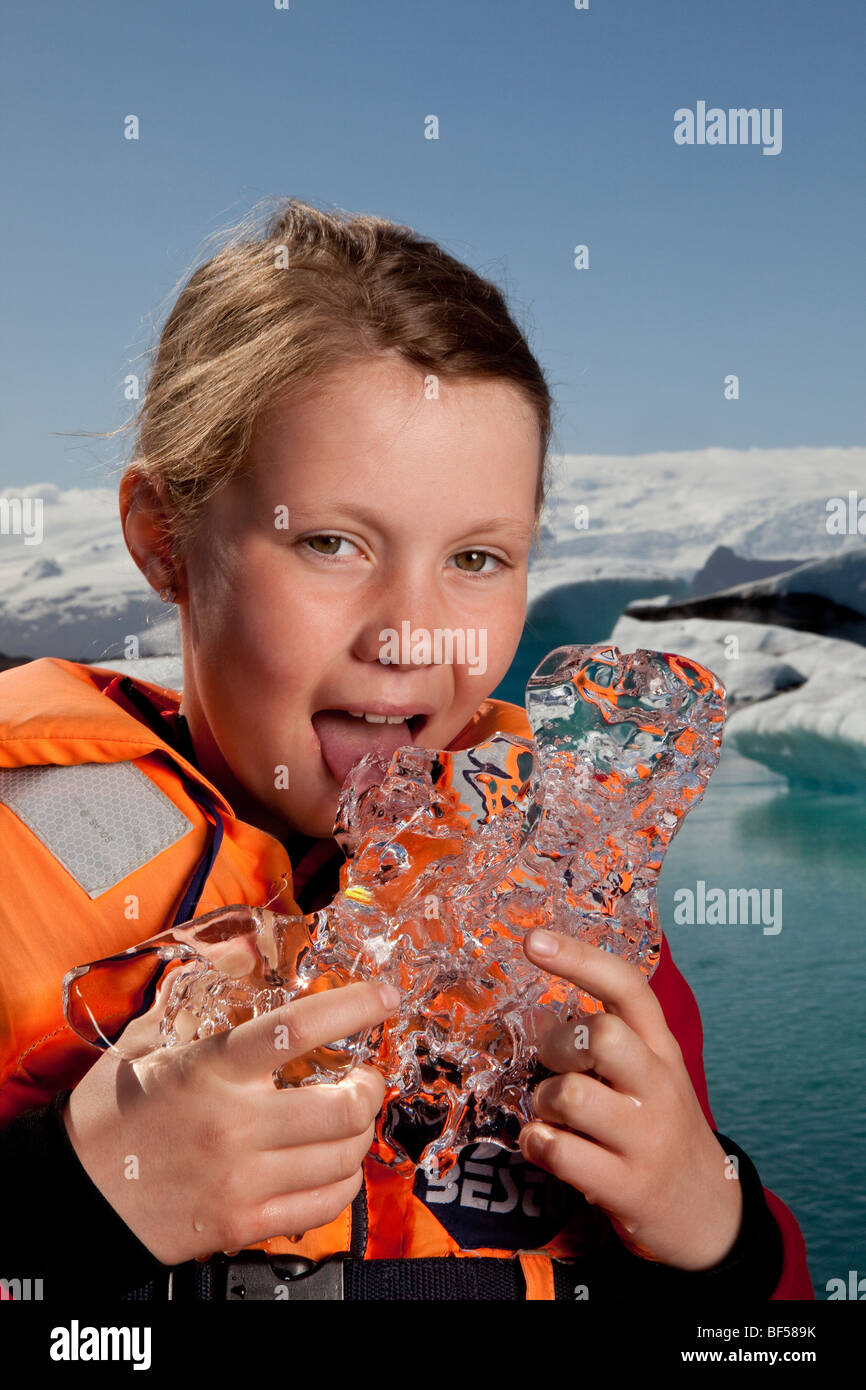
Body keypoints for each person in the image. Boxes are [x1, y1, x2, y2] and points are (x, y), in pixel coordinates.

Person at [0, 198, 812, 1302]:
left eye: (476, 559)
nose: (411, 636)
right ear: (163, 540)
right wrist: (63, 1205)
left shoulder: (566, 912)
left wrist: (720, 1236)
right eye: (331, 543)